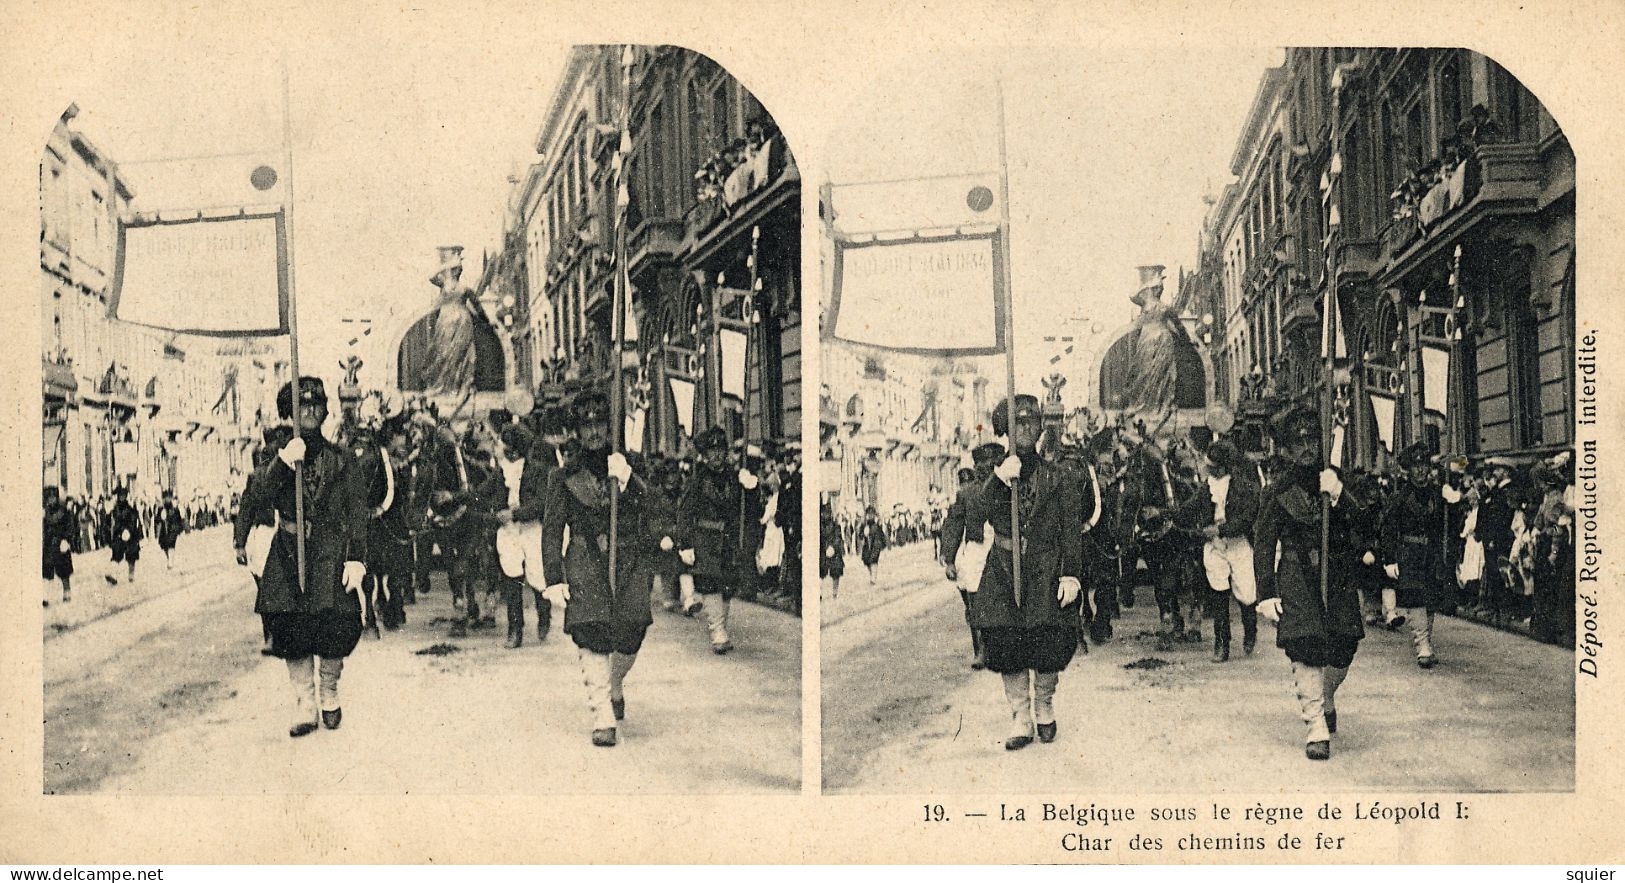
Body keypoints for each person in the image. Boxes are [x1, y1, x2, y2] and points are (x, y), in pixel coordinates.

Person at [234, 377, 371, 738]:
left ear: (325, 411)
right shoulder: (273, 457)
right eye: (301, 406)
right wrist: (282, 463)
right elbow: (257, 496)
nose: (310, 411)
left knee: (335, 624)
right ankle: (304, 702)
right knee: (291, 627)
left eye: (316, 405)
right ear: (288, 413)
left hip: (328, 551)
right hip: (289, 550)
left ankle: (328, 690)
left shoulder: (340, 459)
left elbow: (357, 511)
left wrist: (356, 558)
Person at [970, 395, 1085, 751]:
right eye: (1018, 423)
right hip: (1005, 569)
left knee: (1047, 641)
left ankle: (1044, 706)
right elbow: (978, 516)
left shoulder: (1059, 476)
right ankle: (1020, 716)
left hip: (1046, 568)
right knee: (1007, 643)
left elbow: (1070, 528)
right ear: (1006, 429)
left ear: (1040, 428)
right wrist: (998, 481)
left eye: (1032, 423)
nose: (1025, 429)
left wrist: (1071, 574)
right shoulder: (997, 474)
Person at [540, 390, 654, 747]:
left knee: (632, 632)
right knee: (592, 633)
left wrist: (630, 480)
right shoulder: (563, 477)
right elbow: (552, 528)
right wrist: (554, 577)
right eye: (586, 425)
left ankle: (616, 683)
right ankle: (602, 714)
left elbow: (655, 507)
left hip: (628, 558)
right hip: (585, 560)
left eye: (600, 423)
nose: (593, 432)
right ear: (576, 431)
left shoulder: (629, 463)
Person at [1252, 405, 1366, 761]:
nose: (1306, 448)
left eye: (1311, 439)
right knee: (1305, 647)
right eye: (1296, 442)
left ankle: (1327, 697)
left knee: (1343, 648)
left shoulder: (1336, 479)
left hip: (1336, 574)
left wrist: (1339, 495)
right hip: (1296, 575)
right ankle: (1315, 724)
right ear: (1284, 449)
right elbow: (1263, 543)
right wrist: (1266, 592)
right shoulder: (1276, 491)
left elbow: (1363, 526)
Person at [1182, 439, 1260, 663]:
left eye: (1213, 467)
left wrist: (1221, 528)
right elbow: (1188, 508)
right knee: (1218, 593)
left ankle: (1250, 630)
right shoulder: (1206, 487)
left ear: (1224, 467)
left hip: (1238, 544)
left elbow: (1247, 519)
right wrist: (1163, 514)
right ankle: (1221, 643)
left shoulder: (1244, 487)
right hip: (1215, 546)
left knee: (1246, 593)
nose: (1209, 470)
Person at [1381, 443, 1452, 668]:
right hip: (1409, 552)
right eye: (1416, 466)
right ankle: (1422, 645)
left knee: (1430, 597)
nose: (1421, 471)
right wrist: (1390, 558)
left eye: (1424, 465)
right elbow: (1389, 529)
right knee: (1416, 598)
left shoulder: (1437, 494)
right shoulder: (1400, 497)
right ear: (1408, 469)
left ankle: (1426, 641)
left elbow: (1446, 526)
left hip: (1431, 552)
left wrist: (1453, 502)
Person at [677, 426, 746, 653]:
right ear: (704, 455)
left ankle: (720, 627)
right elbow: (685, 512)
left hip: (728, 539)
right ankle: (717, 630)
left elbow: (745, 510)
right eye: (711, 451)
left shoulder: (735, 478)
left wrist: (751, 488)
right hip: (706, 539)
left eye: (720, 450)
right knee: (710, 584)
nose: (716, 456)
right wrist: (685, 543)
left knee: (727, 585)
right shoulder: (697, 482)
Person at [940, 445, 1006, 669]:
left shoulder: (1009, 487)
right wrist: (948, 560)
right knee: (975, 603)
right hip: (978, 551)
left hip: (1003, 547)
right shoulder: (967, 494)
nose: (986, 469)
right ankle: (980, 650)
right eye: (981, 465)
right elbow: (953, 525)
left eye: (991, 464)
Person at [43, 487, 76, 606]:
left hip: (61, 543)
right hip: (48, 545)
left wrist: (67, 540)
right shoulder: (45, 512)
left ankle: (67, 592)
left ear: (56, 498)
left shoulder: (63, 511)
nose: (50, 501)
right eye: (48, 498)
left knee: (64, 571)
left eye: (52, 498)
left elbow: (70, 527)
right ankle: (45, 597)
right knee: (46, 571)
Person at [819, 502, 845, 599]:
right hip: (822, 551)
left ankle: (835, 592)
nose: (825, 515)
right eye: (824, 513)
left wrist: (833, 547)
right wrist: (823, 548)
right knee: (820, 572)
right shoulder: (819, 526)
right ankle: (819, 592)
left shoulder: (835, 525)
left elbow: (838, 537)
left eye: (827, 513)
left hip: (834, 552)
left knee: (836, 572)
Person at [155, 491, 185, 569]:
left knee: (171, 544)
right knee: (164, 546)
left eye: (169, 497)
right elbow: (157, 519)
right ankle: (169, 558)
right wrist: (160, 517)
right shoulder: (161, 508)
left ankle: (170, 561)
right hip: (164, 530)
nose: (167, 499)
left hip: (172, 529)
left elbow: (179, 519)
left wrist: (180, 529)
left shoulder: (174, 508)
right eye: (165, 498)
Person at [857, 507, 886, 584]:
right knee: (866, 560)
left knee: (873, 560)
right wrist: (864, 533)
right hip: (867, 546)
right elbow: (860, 536)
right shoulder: (864, 525)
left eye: (871, 514)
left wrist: (881, 545)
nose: (869, 516)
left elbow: (881, 535)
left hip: (875, 544)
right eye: (868, 515)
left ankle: (873, 578)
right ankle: (872, 574)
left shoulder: (876, 525)